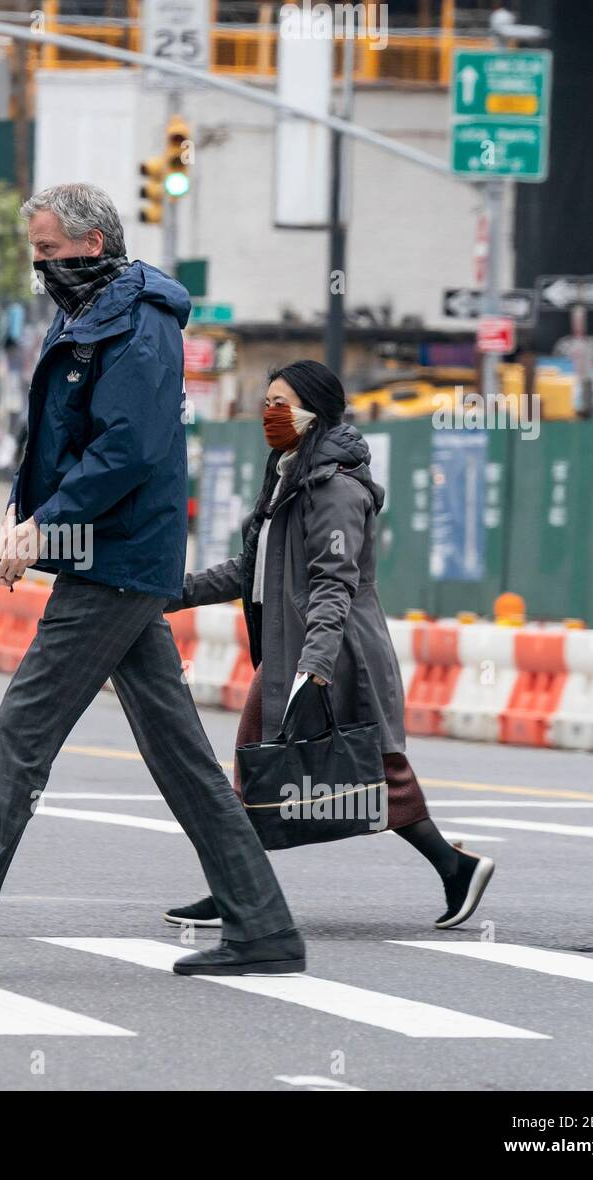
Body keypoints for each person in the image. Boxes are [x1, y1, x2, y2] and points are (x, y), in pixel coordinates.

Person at [0, 182, 303, 978]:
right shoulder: (92, 313)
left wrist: (44, 527)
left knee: (20, 739)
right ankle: (264, 926)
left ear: (91, 245)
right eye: (33, 249)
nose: (37, 265)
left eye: (45, 249)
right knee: (180, 756)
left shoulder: (139, 324)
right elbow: (61, 440)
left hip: (118, 562)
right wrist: (18, 515)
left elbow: (126, 450)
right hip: (113, 558)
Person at [163, 360, 495, 931]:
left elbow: (333, 585)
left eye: (281, 403)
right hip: (296, 650)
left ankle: (450, 867)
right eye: (266, 402)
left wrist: (313, 668)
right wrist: (174, 593)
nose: (270, 415)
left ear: (316, 412)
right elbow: (253, 570)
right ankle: (451, 868)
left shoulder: (336, 487)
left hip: (336, 653)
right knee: (295, 766)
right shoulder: (290, 474)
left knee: (368, 771)